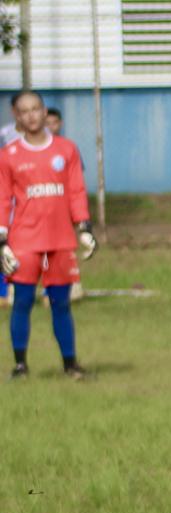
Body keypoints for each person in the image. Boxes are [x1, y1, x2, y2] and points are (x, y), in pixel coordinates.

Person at [1, 91, 96, 380]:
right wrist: (2, 239)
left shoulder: (66, 150)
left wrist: (84, 227)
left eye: (36, 109)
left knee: (61, 303)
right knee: (23, 302)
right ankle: (20, 365)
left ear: (45, 113)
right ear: (16, 118)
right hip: (25, 241)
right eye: (24, 111)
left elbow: (76, 190)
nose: (31, 115)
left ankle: (70, 364)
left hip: (59, 240)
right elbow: (3, 198)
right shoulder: (8, 156)